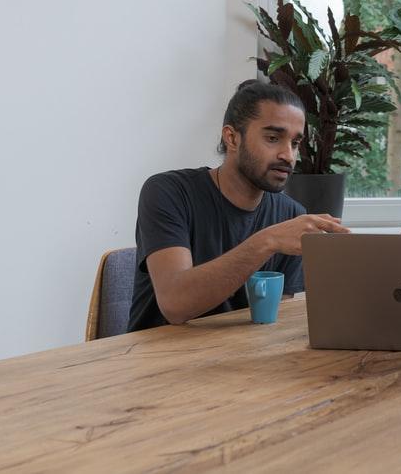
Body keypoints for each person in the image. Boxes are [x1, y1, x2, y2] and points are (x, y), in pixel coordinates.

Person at [127, 80, 349, 332]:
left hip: (239, 361)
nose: (288, 155)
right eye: (273, 138)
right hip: (156, 362)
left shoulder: (291, 215)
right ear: (232, 138)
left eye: (295, 143)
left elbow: (272, 323)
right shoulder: (168, 192)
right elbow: (175, 304)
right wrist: (268, 241)